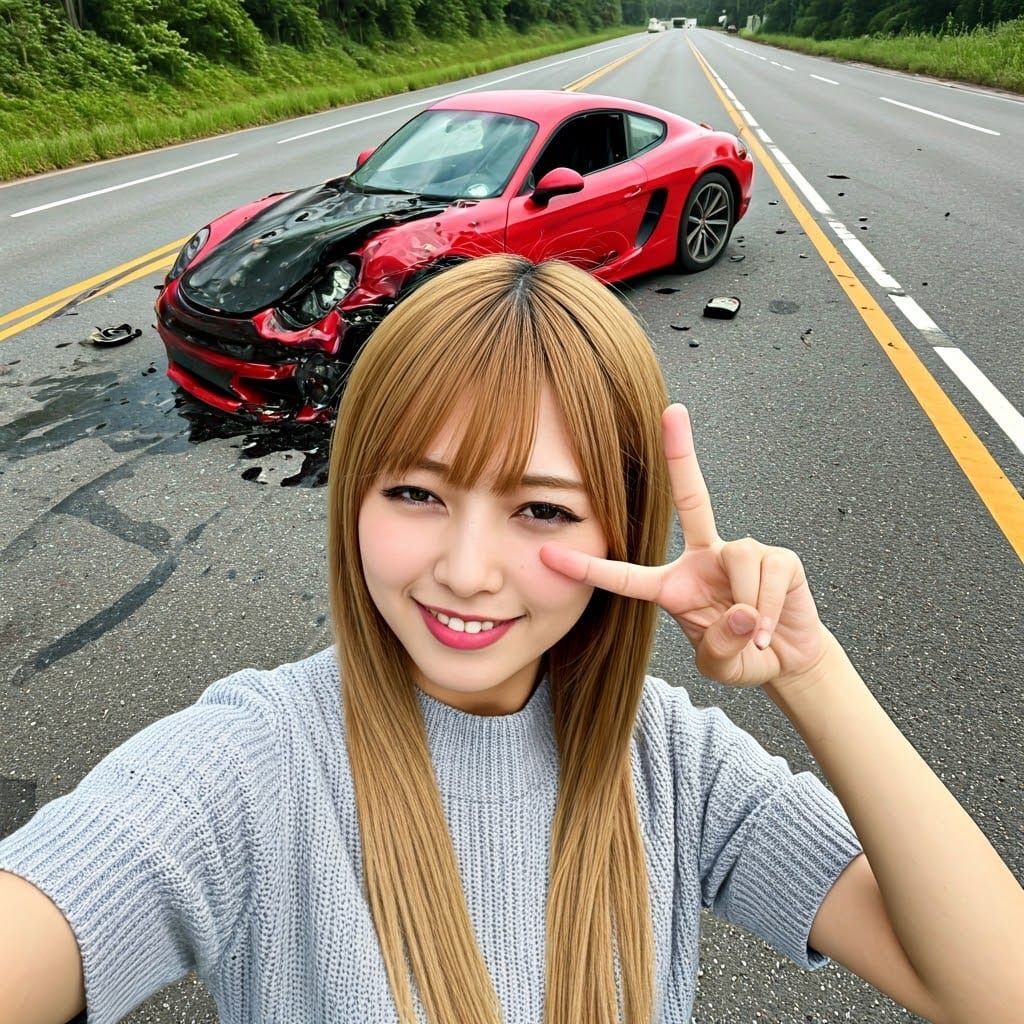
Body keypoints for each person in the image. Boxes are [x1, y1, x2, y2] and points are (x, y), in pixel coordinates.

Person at [1, 254, 1021, 1024]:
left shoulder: (668, 761)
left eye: (540, 509)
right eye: (415, 492)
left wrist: (811, 671)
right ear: (352, 493)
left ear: (620, 530)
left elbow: (988, 985)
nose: (466, 570)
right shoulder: (250, 765)